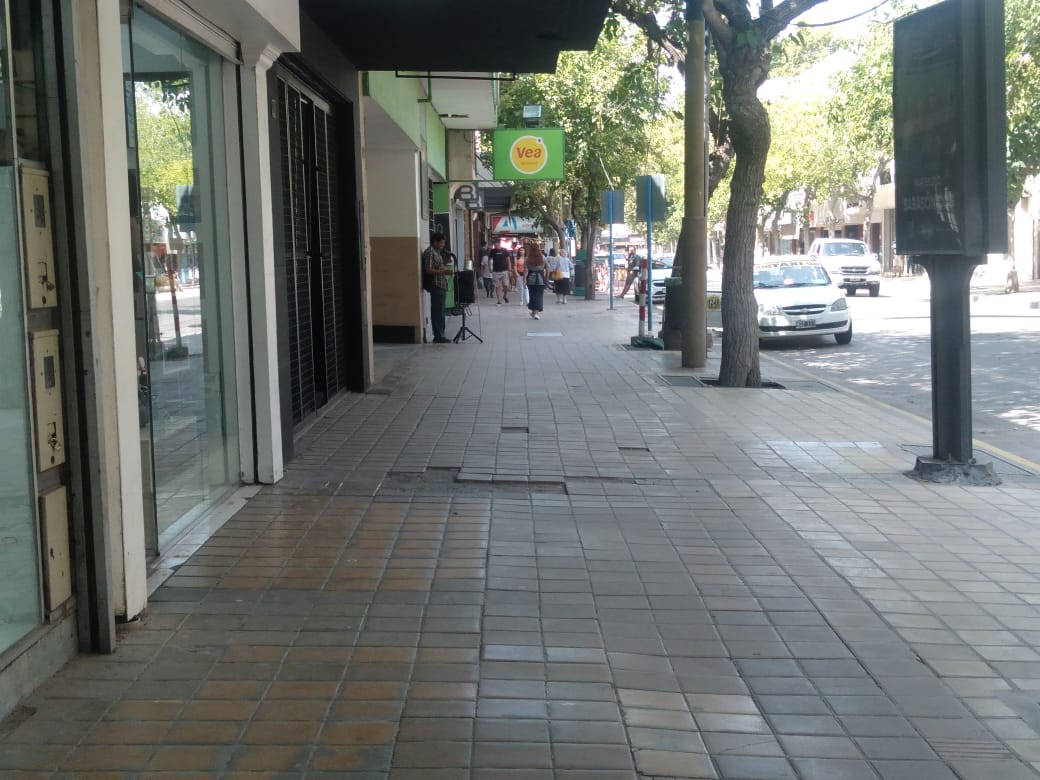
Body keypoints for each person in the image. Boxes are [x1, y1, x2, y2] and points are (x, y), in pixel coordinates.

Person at [421, 232, 453, 343]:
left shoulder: (437, 252)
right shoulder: (430, 252)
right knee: (437, 311)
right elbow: (428, 270)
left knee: (441, 311)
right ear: (434, 242)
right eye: (441, 243)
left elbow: (438, 266)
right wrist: (444, 271)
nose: (443, 245)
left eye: (443, 243)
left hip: (441, 284)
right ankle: (438, 335)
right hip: (436, 284)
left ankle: (441, 334)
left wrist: (445, 263)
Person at [524, 242, 547, 319]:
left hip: (530, 278)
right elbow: (548, 268)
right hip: (540, 278)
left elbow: (525, 270)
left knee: (532, 295)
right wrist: (546, 278)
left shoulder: (527, 258)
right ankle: (536, 312)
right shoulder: (543, 257)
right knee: (539, 295)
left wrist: (524, 280)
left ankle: (533, 311)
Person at [489, 239, 513, 305]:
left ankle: (504, 296)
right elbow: (490, 259)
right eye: (494, 245)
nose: (495, 246)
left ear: (499, 244)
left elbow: (508, 260)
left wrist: (509, 269)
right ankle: (499, 300)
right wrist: (490, 267)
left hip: (504, 271)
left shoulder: (504, 250)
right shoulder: (492, 251)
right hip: (496, 271)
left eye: (496, 245)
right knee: (497, 286)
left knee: (506, 285)